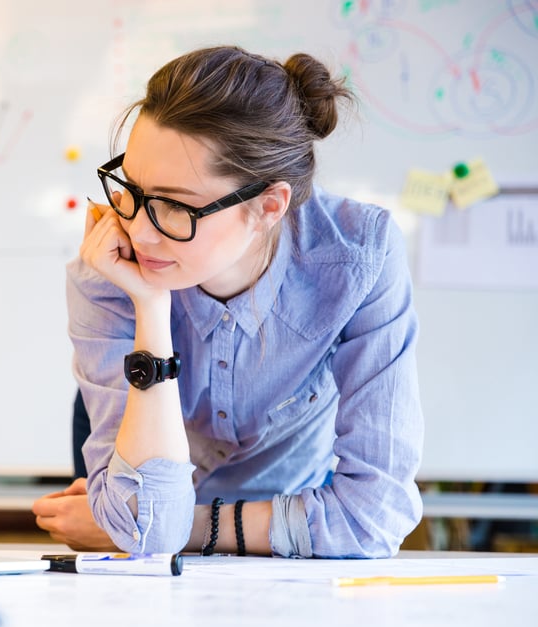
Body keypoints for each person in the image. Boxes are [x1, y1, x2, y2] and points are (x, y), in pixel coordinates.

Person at [32, 45, 423, 559]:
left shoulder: (357, 258)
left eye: (174, 206)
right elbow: (142, 532)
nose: (140, 232)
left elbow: (372, 517)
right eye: (132, 189)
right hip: (173, 504)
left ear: (268, 206)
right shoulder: (112, 266)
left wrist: (187, 527)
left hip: (295, 533)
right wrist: (150, 307)